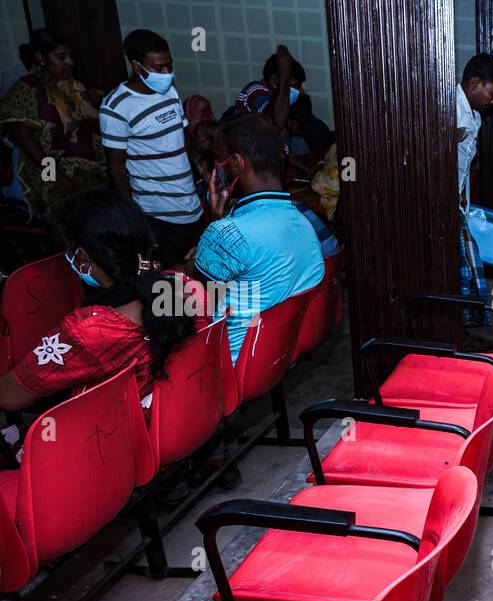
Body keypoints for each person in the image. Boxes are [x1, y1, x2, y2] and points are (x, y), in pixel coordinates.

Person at [0, 189, 206, 411]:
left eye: (69, 250)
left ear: (84, 258)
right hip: (183, 415)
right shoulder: (185, 287)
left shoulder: (89, 330)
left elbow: (8, 397)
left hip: (114, 438)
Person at [188, 112, 324, 363]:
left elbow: (193, 302)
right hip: (276, 356)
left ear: (238, 163)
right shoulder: (303, 223)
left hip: (229, 363)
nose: (218, 168)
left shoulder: (227, 235)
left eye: (219, 161)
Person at [100, 30, 204, 267]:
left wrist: (200, 163)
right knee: (173, 284)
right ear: (137, 67)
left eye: (169, 65)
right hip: (158, 215)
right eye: (159, 68)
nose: (167, 73)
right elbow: (116, 168)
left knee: (200, 276)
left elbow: (182, 132)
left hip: (191, 204)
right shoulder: (116, 107)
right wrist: (134, 219)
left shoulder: (169, 91)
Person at [0, 29, 106, 220]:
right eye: (61, 57)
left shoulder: (72, 85)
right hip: (49, 169)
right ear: (41, 58)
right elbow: (24, 137)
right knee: (65, 218)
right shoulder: (28, 88)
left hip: (89, 166)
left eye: (70, 56)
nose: (70, 62)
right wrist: (54, 175)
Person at [455, 52, 493, 346]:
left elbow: (463, 165)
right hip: (437, 200)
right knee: (454, 269)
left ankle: (459, 329)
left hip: (456, 199)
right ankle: (454, 333)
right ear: (476, 82)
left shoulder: (474, 115)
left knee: (463, 267)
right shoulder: (448, 107)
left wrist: (464, 199)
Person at [235, 46, 302, 132]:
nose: (296, 92)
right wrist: (284, 75)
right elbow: (275, 122)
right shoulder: (255, 89)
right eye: (292, 87)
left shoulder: (280, 104)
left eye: (298, 89)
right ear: (274, 80)